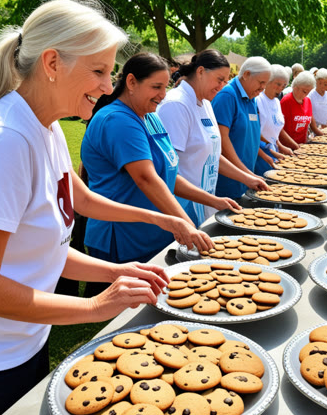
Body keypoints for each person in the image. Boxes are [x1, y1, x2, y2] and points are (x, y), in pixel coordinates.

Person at [0, 0, 211, 415]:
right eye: (99, 71)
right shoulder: (8, 140)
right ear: (52, 63)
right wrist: (95, 308)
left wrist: (117, 269)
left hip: (25, 342)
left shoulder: (46, 127)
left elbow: (59, 224)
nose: (109, 86)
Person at [81, 52, 236, 273]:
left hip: (152, 234)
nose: (163, 95)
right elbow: (146, 179)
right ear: (132, 82)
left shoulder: (150, 117)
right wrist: (186, 224)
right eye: (156, 87)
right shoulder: (118, 120)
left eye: (165, 87)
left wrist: (214, 201)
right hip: (124, 239)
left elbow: (168, 175)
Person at [157, 50, 267, 224]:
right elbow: (168, 171)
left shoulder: (206, 103)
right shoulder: (176, 105)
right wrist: (214, 201)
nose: (222, 85)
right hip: (182, 207)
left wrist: (247, 178)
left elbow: (213, 155)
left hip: (204, 202)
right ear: (200, 72)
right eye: (219, 79)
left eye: (225, 81)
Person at [212, 56, 271, 199]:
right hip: (228, 182)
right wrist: (245, 173)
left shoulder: (252, 98)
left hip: (245, 179)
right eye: (261, 82)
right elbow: (222, 140)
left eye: (265, 83)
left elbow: (251, 135)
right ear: (246, 75)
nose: (263, 88)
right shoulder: (227, 96)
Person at [254, 64, 293, 175]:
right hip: (259, 153)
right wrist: (268, 152)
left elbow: (274, 129)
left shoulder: (276, 102)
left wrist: (280, 146)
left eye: (284, 85)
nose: (281, 88)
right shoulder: (257, 100)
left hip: (272, 152)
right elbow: (253, 133)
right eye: (278, 84)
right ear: (268, 81)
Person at [279, 71, 324, 149]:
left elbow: (311, 122)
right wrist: (295, 146)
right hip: (287, 147)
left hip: (302, 145)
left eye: (309, 92)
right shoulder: (286, 101)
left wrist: (323, 135)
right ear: (295, 87)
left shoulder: (307, 101)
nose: (306, 94)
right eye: (304, 91)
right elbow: (280, 129)